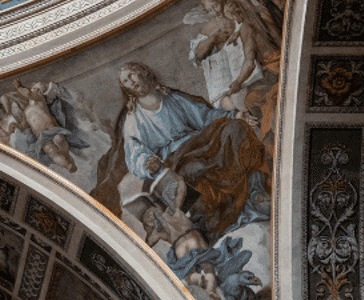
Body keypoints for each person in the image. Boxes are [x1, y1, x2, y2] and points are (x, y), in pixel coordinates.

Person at [92, 62, 270, 244]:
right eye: (126, 81)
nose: (131, 81)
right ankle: (221, 216)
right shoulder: (133, 117)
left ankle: (256, 190)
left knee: (235, 129)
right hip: (177, 157)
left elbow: (204, 116)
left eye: (132, 75)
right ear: (126, 89)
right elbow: (134, 152)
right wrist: (148, 163)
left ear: (143, 73)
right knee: (194, 171)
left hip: (201, 142)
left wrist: (234, 116)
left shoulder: (171, 98)